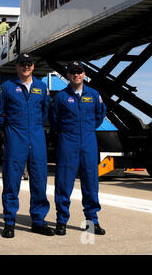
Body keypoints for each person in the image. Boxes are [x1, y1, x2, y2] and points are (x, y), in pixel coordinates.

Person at [0, 53, 54, 238]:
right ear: (17, 67)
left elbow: (45, 111)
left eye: (29, 64)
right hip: (15, 136)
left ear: (33, 66)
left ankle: (38, 221)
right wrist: (7, 130)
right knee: (12, 179)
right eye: (22, 64)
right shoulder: (7, 87)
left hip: (36, 136)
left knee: (39, 179)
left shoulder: (41, 87)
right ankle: (9, 222)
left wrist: (35, 127)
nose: (26, 67)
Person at [50, 61, 106, 236]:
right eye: (72, 72)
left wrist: (86, 129)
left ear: (84, 74)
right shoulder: (60, 97)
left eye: (79, 71)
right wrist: (69, 132)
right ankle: (61, 221)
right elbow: (54, 120)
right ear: (68, 75)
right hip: (68, 142)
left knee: (90, 183)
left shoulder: (94, 94)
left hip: (88, 142)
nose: (76, 74)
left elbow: (100, 115)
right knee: (63, 183)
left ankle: (92, 222)